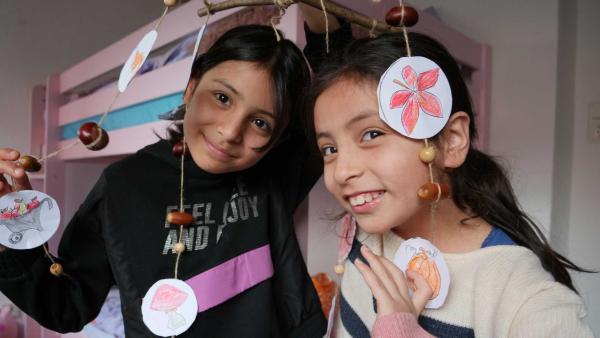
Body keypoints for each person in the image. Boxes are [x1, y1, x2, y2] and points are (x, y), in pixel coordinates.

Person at [0, 24, 326, 337]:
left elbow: (328, 83)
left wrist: (321, 19)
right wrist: (12, 233)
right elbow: (66, 306)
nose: (229, 132)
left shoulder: (272, 173)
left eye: (260, 122)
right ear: (191, 86)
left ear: (278, 137)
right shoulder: (123, 187)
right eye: (222, 98)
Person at [308, 31, 593, 337]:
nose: (341, 171)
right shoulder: (365, 229)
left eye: (372, 134)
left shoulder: (525, 297)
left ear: (452, 141)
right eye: (330, 149)